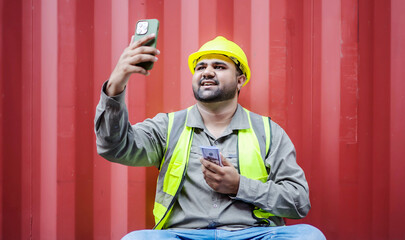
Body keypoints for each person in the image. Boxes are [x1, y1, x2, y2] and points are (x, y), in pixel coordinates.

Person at [95, 34, 325, 240]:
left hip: (252, 234)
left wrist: (239, 186)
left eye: (219, 66)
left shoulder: (268, 131)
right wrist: (116, 84)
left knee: (309, 236)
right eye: (200, 67)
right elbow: (114, 147)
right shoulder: (168, 126)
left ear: (240, 79)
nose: (206, 72)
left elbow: (298, 202)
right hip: (183, 235)